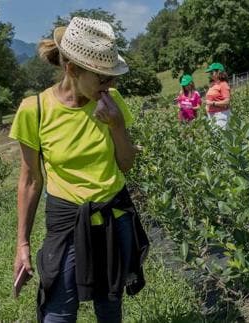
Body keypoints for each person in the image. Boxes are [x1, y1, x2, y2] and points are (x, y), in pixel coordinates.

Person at [9, 17, 149, 322]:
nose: (110, 85)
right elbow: (31, 181)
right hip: (67, 222)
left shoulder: (112, 102)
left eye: (112, 78)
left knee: (110, 306)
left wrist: (117, 125)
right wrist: (22, 244)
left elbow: (125, 163)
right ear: (71, 70)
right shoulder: (35, 109)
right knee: (58, 310)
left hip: (115, 217)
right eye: (102, 78)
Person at [204, 62, 231, 129]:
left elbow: (227, 102)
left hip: (220, 115)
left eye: (211, 72)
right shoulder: (213, 84)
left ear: (218, 72)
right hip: (211, 115)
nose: (210, 75)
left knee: (220, 136)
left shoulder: (223, 84)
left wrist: (212, 103)